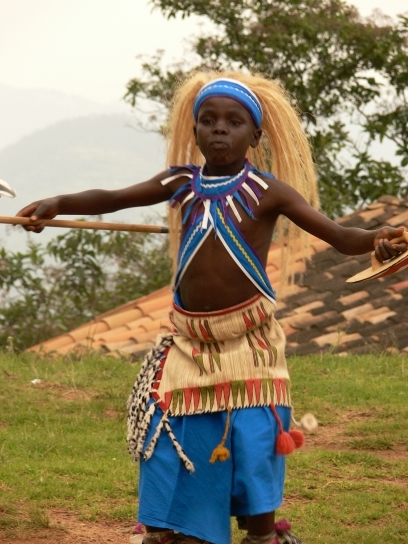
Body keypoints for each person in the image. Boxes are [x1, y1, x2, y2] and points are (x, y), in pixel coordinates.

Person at [16, 72, 407, 544]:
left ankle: (263, 536)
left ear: (255, 136)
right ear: (195, 130)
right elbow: (114, 198)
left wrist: (379, 238)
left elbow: (341, 236)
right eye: (208, 120)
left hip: (250, 343)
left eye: (234, 122)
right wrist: (58, 202)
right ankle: (174, 530)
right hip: (189, 343)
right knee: (171, 439)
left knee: (255, 440)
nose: (219, 128)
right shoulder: (180, 182)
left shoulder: (270, 192)